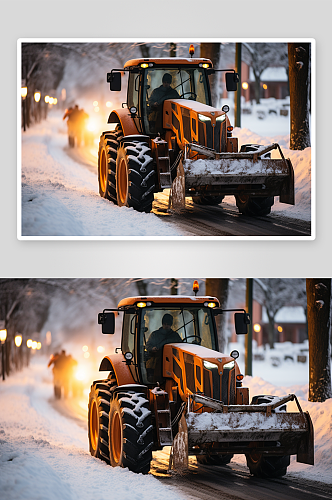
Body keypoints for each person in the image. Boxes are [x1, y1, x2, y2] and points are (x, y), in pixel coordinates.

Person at [145, 313, 182, 382]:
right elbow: (148, 346)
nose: (166, 326)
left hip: (173, 361)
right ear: (162, 324)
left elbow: (181, 345)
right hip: (157, 361)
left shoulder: (175, 336)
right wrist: (152, 348)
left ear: (171, 325)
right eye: (165, 324)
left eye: (168, 324)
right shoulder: (155, 334)